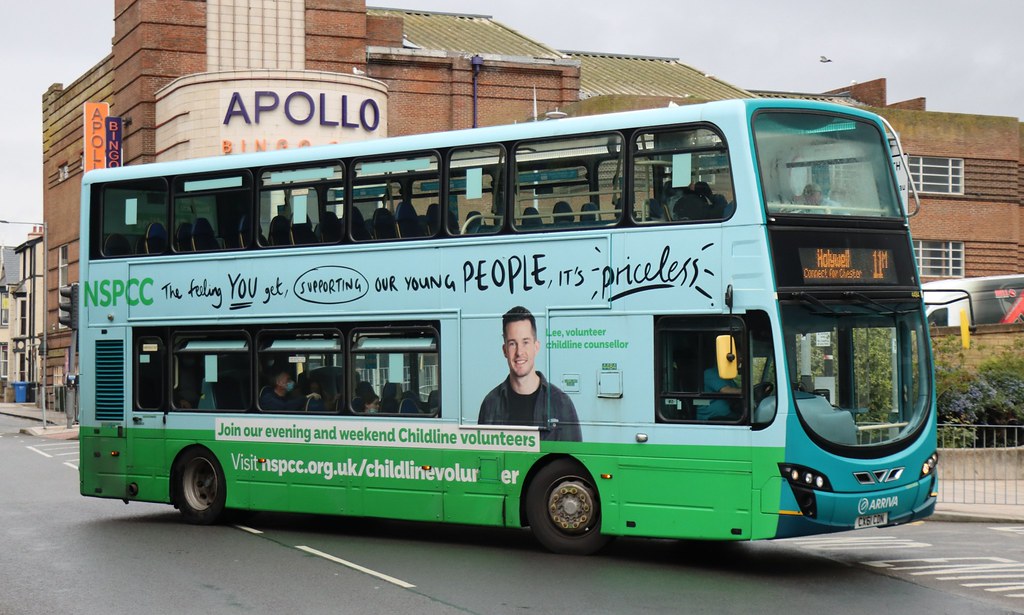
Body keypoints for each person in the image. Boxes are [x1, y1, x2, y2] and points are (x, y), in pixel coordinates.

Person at [478, 306, 581, 441]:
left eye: (525, 342)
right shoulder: (490, 404)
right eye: (512, 344)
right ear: (504, 350)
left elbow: (572, 460)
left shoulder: (561, 403)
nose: (519, 352)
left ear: (536, 347)